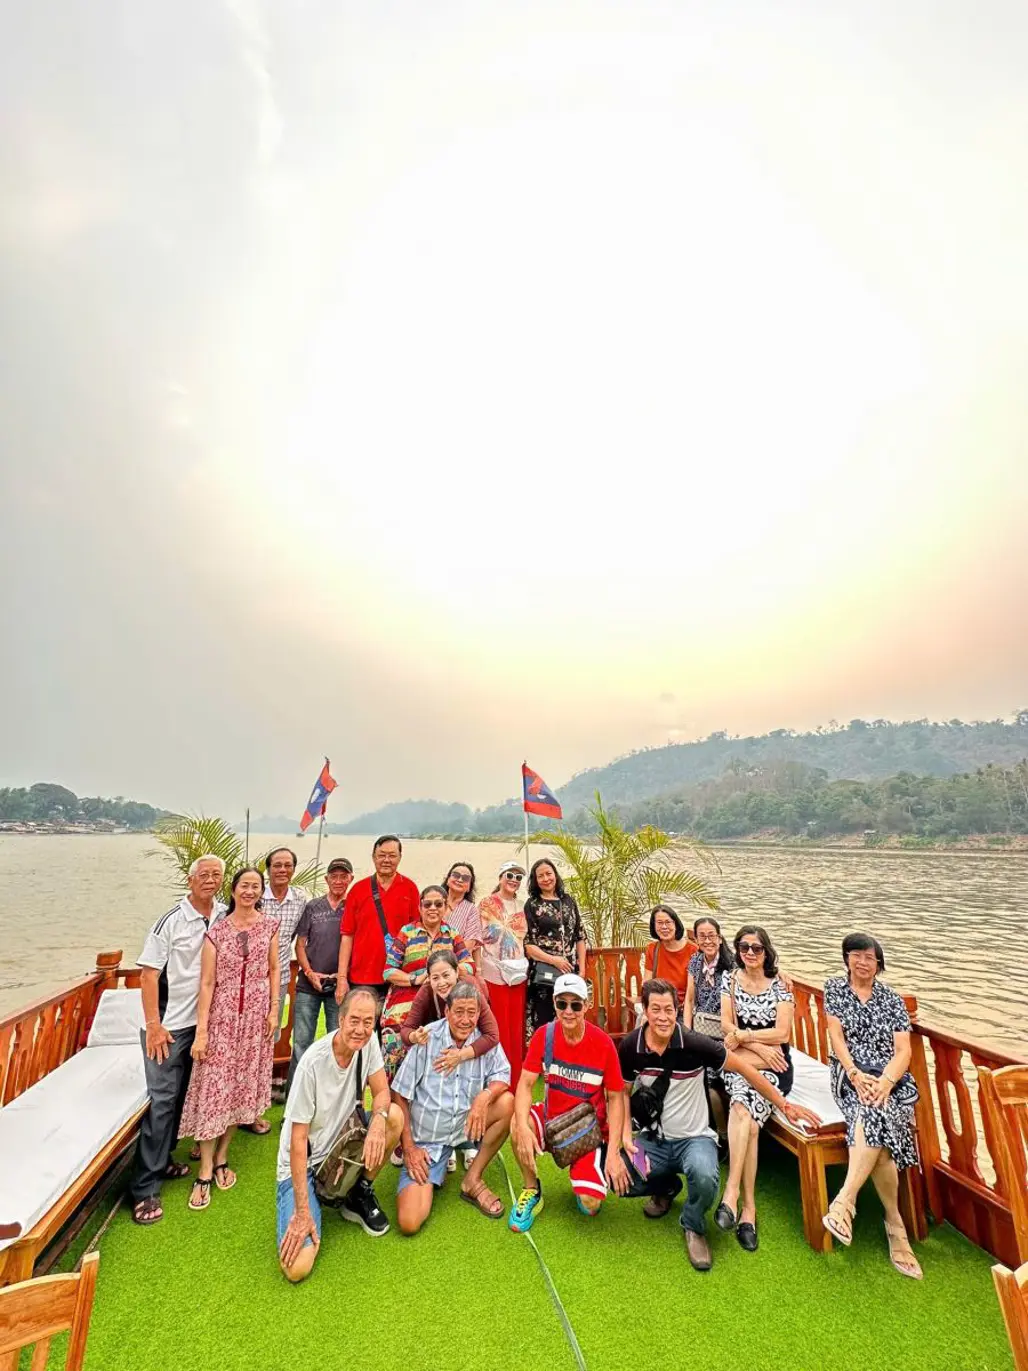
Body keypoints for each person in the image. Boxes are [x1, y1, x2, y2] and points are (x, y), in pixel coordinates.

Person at [620, 978, 820, 1270]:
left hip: (694, 1138)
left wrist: (784, 1104)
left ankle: (693, 1224)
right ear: (645, 1010)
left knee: (704, 1176)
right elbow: (620, 1094)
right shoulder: (631, 1046)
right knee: (620, 1175)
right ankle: (667, 1187)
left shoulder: (695, 1044)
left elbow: (746, 1069)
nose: (663, 1017)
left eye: (669, 1010)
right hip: (655, 1139)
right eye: (656, 1010)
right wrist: (625, 1137)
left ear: (677, 1010)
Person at [278, 989, 404, 1282]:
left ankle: (358, 1194)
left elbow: (382, 1092)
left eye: (368, 1022)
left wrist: (378, 1121)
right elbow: (297, 1141)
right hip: (307, 1162)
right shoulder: (313, 1063)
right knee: (297, 1268)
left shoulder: (368, 1043)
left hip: (343, 1141)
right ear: (341, 1019)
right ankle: (313, 1199)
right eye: (354, 1021)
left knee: (394, 1117)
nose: (361, 1029)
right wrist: (302, 1211)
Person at [129, 854, 226, 1226]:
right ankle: (145, 1187)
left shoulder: (223, 915)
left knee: (184, 1097)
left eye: (216, 874)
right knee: (163, 1103)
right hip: (169, 1027)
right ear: (190, 879)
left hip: (204, 1025)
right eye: (204, 874)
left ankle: (165, 1158)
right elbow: (148, 976)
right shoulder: (171, 920)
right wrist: (154, 1025)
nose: (210, 880)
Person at [822, 933, 923, 1279]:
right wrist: (854, 1073)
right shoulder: (834, 989)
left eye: (870, 957)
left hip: (889, 1080)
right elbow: (836, 1037)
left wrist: (886, 1082)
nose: (863, 962)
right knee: (875, 1113)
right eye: (856, 955)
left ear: (879, 964)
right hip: (849, 1075)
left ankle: (844, 1202)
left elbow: (904, 1051)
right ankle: (895, 1224)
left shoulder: (891, 1000)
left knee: (875, 1111)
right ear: (846, 958)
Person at [178, 867, 279, 1210]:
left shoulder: (270, 927)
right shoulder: (217, 932)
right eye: (244, 886)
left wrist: (274, 1010)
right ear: (233, 891)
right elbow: (207, 983)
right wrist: (202, 1031)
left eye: (256, 886)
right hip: (221, 1020)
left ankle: (222, 1155)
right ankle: (205, 1168)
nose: (249, 891)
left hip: (255, 1021)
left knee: (241, 1087)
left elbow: (274, 970)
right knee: (214, 1089)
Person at [509, 974, 628, 1232]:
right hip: (551, 1119)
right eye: (562, 1003)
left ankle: (584, 1177)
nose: (568, 1011)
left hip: (587, 1130)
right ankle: (532, 1189)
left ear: (587, 1005)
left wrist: (614, 1151)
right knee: (518, 1123)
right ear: (554, 1003)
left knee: (590, 1204)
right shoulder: (544, 1035)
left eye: (576, 1004)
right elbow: (525, 1085)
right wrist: (523, 1128)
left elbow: (616, 1099)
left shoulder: (603, 1044)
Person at [391, 983, 514, 1233]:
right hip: (428, 1140)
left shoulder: (483, 1040)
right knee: (409, 1222)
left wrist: (484, 1096)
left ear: (479, 1013)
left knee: (506, 1103)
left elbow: (503, 1075)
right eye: (459, 1012)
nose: (465, 1020)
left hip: (464, 1127)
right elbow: (400, 1094)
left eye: (472, 1012)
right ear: (447, 1012)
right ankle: (438, 1163)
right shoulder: (427, 1038)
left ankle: (472, 1179)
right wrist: (410, 1148)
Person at [716, 924, 795, 1252]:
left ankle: (731, 1192)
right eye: (744, 947)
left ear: (767, 951)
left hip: (774, 1067)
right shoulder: (730, 979)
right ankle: (748, 1209)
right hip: (746, 1061)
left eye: (757, 948)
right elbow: (726, 1024)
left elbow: (783, 1033)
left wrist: (746, 1037)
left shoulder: (781, 985)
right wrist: (758, 1046)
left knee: (743, 1111)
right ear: (737, 950)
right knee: (743, 1113)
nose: (750, 953)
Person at [380, 884, 474, 1079]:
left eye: (438, 904)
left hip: (438, 1011)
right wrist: (415, 978)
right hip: (402, 1010)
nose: (433, 908)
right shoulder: (407, 932)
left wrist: (446, 973)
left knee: (432, 1072)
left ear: (446, 907)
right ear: (420, 907)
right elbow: (388, 971)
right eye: (427, 904)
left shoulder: (452, 934)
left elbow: (469, 965)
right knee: (395, 1071)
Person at [286, 857, 353, 1095]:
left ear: (350, 879)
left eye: (343, 876)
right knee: (302, 1042)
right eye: (334, 876)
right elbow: (300, 944)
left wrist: (342, 976)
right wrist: (309, 972)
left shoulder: (353, 906)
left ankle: (331, 1095)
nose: (338, 881)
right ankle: (295, 1094)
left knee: (339, 1041)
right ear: (326, 879)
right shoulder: (313, 907)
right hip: (308, 985)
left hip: (340, 986)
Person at [336, 835, 422, 1009]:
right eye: (381, 855)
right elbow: (347, 936)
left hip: (399, 976)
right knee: (361, 1023)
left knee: (395, 1026)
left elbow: (417, 936)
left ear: (400, 857)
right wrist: (342, 979)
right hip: (362, 976)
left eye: (392, 855)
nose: (386, 860)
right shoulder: (358, 890)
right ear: (373, 857)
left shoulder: (410, 888)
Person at [477, 861, 529, 1085]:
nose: (514, 880)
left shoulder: (522, 907)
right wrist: (479, 970)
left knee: (516, 1030)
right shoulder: (487, 903)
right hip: (493, 971)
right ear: (500, 877)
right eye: (510, 875)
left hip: (517, 973)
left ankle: (516, 1082)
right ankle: (497, 1081)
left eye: (518, 877)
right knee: (498, 1027)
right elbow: (479, 939)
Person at [524, 859, 586, 1034]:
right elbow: (528, 945)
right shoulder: (532, 904)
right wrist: (554, 960)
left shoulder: (568, 901)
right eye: (540, 876)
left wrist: (582, 970)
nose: (546, 879)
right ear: (535, 880)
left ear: (555, 875)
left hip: (570, 972)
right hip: (544, 974)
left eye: (548, 874)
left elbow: (580, 936)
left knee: (570, 1018)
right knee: (544, 1023)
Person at [641, 906, 698, 1009]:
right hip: (658, 1006)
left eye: (668, 922)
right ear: (654, 926)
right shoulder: (652, 949)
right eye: (659, 923)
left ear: (676, 924)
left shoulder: (693, 951)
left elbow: (696, 990)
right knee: (642, 1018)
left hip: (684, 1007)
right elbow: (646, 984)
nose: (664, 927)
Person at [441, 862, 484, 966]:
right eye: (456, 875)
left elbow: (468, 946)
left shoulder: (471, 910)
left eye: (465, 878)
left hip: (455, 965)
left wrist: (441, 963)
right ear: (448, 879)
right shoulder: (434, 902)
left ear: (469, 887)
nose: (460, 880)